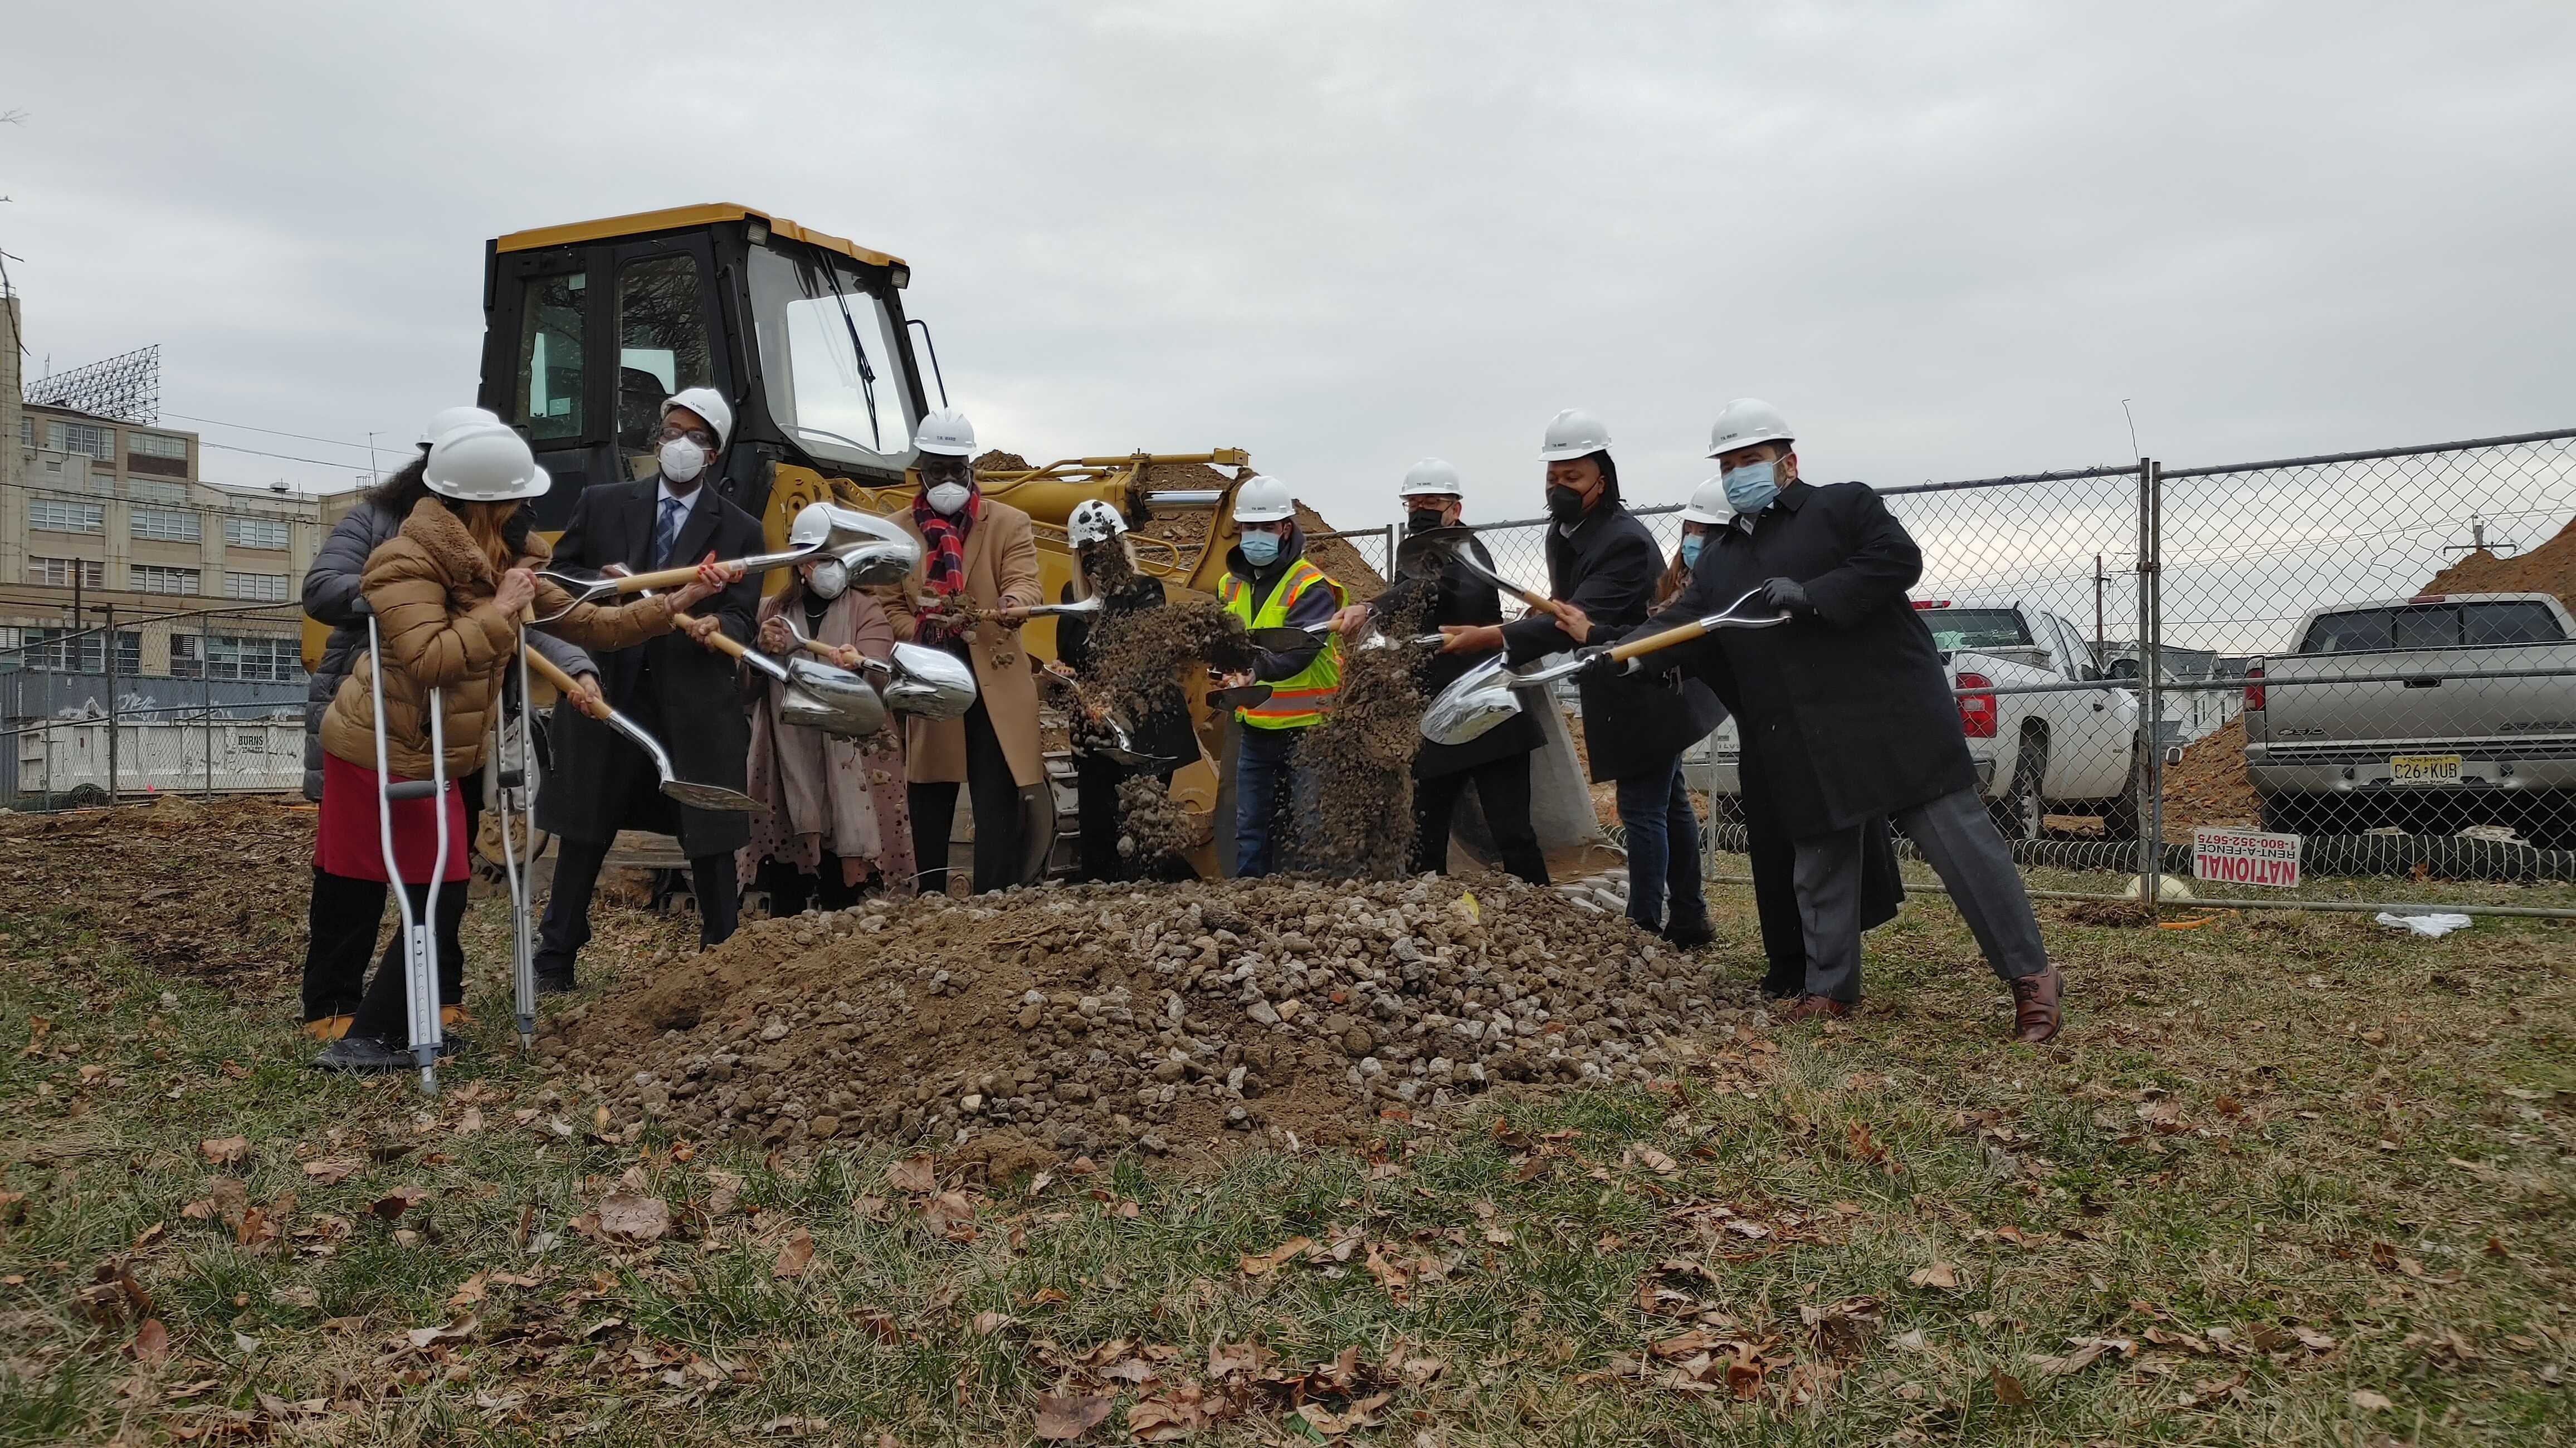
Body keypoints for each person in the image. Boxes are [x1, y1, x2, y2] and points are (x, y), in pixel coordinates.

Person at [1593, 398, 2062, 1041]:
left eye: (1749, 460)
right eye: (1727, 465)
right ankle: (1829, 989)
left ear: (1787, 462)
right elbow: (1686, 623)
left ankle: (2032, 978)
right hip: (1805, 733)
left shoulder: (1843, 506)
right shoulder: (1725, 556)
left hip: (1890, 714)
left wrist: (1815, 596)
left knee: (1962, 851)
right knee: (1820, 866)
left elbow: (1897, 560)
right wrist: (1621, 653)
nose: (1737, 474)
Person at [312, 423, 724, 1072]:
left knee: (440, 888)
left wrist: (679, 599)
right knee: (434, 887)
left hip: (446, 751)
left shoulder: (509, 560)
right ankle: (369, 1034)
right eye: (519, 502)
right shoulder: (403, 562)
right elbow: (430, 659)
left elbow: (592, 621)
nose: (531, 513)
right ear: (482, 506)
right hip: (384, 747)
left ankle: (394, 1026)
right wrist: (501, 609)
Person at [294, 406, 604, 1041]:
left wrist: (579, 662)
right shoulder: (382, 524)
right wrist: (408, 597)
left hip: (459, 726)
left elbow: (541, 621)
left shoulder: (502, 538)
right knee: (352, 872)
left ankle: (436, 995)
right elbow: (325, 586)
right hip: (383, 710)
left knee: (443, 870)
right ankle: (333, 1003)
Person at [1439, 410, 1719, 945]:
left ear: (1602, 479)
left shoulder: (1623, 541)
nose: (1560, 487)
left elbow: (1575, 623)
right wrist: (1531, 616)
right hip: (1614, 677)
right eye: (1553, 477)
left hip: (1649, 680)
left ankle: (1643, 927)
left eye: (1573, 477)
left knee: (1642, 807)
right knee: (1671, 801)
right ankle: (1688, 918)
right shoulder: (1564, 530)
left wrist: (1492, 635)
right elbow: (1564, 603)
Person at [534, 388, 764, 990]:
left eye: (695, 436)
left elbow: (744, 615)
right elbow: (559, 580)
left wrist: (720, 624)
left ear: (713, 453)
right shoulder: (604, 504)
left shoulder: (740, 528)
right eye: (671, 431)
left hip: (692, 703)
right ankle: (556, 956)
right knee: (584, 825)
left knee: (709, 833)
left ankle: (721, 951)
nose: (679, 445)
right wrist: (611, 590)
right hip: (607, 690)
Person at [1333, 458, 1546, 884]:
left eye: (1432, 500)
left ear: (1456, 509)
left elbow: (1434, 588)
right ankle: (1429, 914)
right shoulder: (1413, 553)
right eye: (1414, 501)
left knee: (1511, 830)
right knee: (1424, 831)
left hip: (1486, 705)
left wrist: (1372, 605)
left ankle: (1544, 911)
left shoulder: (1466, 551)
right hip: (1436, 710)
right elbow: (1412, 603)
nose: (1421, 509)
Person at [885, 407, 1046, 894]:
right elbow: (886, 601)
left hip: (993, 676)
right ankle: (930, 898)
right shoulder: (896, 531)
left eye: (958, 469)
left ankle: (995, 899)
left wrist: (1013, 603)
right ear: (921, 471)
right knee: (929, 792)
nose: (949, 480)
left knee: (997, 793)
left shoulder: (1008, 523)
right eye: (938, 470)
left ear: (971, 469)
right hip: (932, 676)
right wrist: (919, 628)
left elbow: (1024, 582)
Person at [738, 552, 916, 913]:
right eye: (822, 560)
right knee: (787, 879)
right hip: (787, 759)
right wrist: (760, 651)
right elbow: (745, 689)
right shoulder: (771, 610)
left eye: (838, 559)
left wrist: (860, 662)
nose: (832, 569)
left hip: (851, 761)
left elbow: (880, 671)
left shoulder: (866, 609)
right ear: (802, 565)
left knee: (844, 885)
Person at [1053, 498, 1199, 882]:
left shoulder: (1146, 590)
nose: (1097, 555)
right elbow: (1071, 656)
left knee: (1141, 829)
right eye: (1088, 550)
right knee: (1098, 831)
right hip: (1096, 731)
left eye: (1105, 547)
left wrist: (1106, 603)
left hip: (1144, 730)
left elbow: (1142, 655)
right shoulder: (1072, 596)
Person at [1217, 473, 1345, 877]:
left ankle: (1316, 910)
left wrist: (1254, 671)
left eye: (1266, 527)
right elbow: (1225, 643)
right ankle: (1248, 904)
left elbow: (1302, 648)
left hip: (1310, 728)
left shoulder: (1309, 584)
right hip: (1256, 726)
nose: (1255, 536)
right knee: (1250, 828)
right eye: (1248, 527)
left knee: (1313, 826)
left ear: (1285, 528)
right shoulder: (1229, 585)